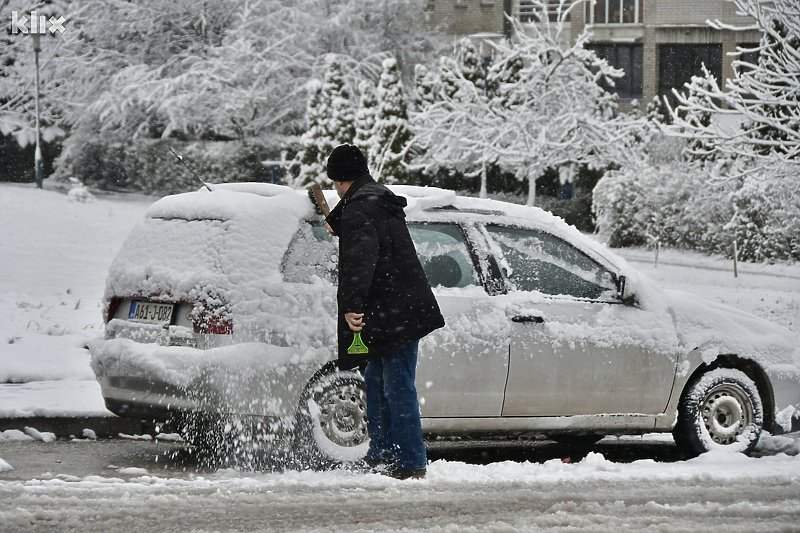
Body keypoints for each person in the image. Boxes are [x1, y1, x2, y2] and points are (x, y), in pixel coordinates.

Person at [324, 144, 445, 480]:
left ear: (339, 179)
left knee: (396, 386)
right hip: (395, 308)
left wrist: (351, 306)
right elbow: (359, 225)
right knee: (378, 383)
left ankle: (410, 461)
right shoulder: (375, 198)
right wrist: (336, 221)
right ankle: (382, 454)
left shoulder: (362, 207)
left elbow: (360, 260)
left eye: (334, 182)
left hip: (394, 312)